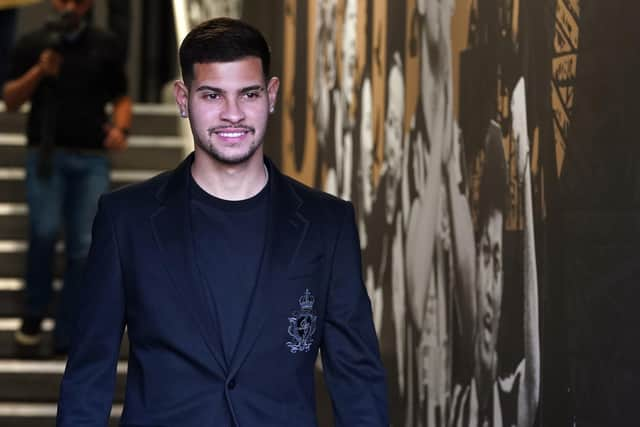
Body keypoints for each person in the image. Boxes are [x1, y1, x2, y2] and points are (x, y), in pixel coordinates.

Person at [57, 17, 388, 426]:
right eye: (212, 95)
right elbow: (89, 374)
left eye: (248, 94)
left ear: (270, 95)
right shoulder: (125, 220)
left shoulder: (328, 223)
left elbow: (357, 379)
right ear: (183, 99)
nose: (233, 114)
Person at [2, 0, 131, 354]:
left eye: (77, 0)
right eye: (64, 0)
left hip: (91, 158)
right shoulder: (33, 42)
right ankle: (32, 315)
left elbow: (122, 97)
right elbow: (10, 100)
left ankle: (67, 330)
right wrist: (39, 72)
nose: (70, 6)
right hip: (45, 155)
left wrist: (121, 128)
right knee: (43, 232)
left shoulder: (104, 44)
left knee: (85, 248)